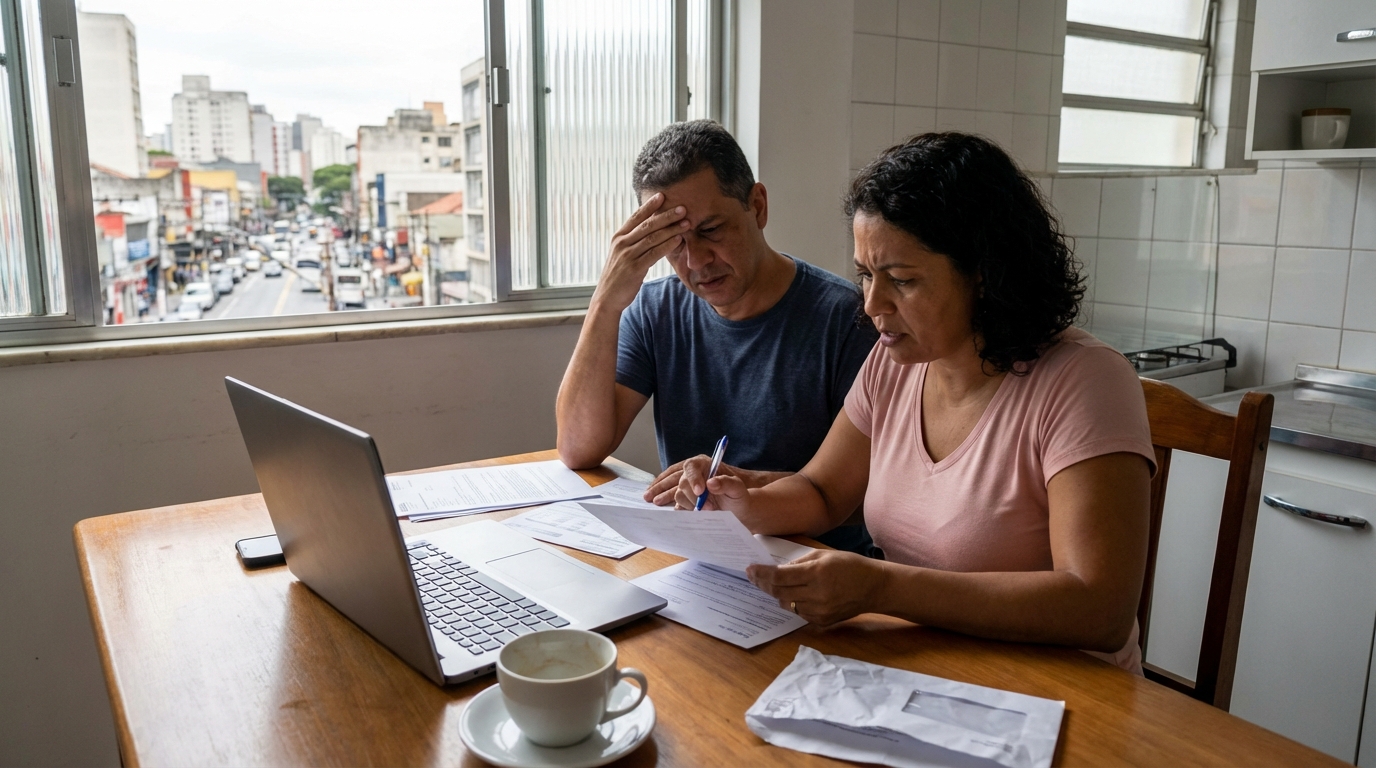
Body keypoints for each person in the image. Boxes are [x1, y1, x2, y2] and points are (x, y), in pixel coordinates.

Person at [681, 132, 1155, 672]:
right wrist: (742, 502)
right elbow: (823, 490)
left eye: (901, 280)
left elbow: (1100, 607)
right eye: (865, 275)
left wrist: (884, 588)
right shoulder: (896, 361)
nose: (872, 304)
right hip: (929, 663)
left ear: (984, 274)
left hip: (1064, 690)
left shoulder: (1086, 381)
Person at [556, 120, 879, 553]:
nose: (695, 261)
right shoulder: (654, 309)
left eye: (711, 230)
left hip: (813, 561)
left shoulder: (848, 319)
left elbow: (875, 496)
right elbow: (578, 449)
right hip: (698, 560)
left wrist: (743, 489)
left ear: (757, 206)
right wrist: (605, 303)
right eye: (672, 242)